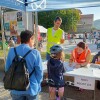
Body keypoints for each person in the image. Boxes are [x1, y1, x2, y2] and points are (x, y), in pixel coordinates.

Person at [5, 30, 43, 100]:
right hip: (31, 87)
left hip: (15, 87)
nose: (34, 42)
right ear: (30, 39)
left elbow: (7, 68)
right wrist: (38, 84)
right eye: (33, 40)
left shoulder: (12, 51)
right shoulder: (35, 52)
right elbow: (39, 71)